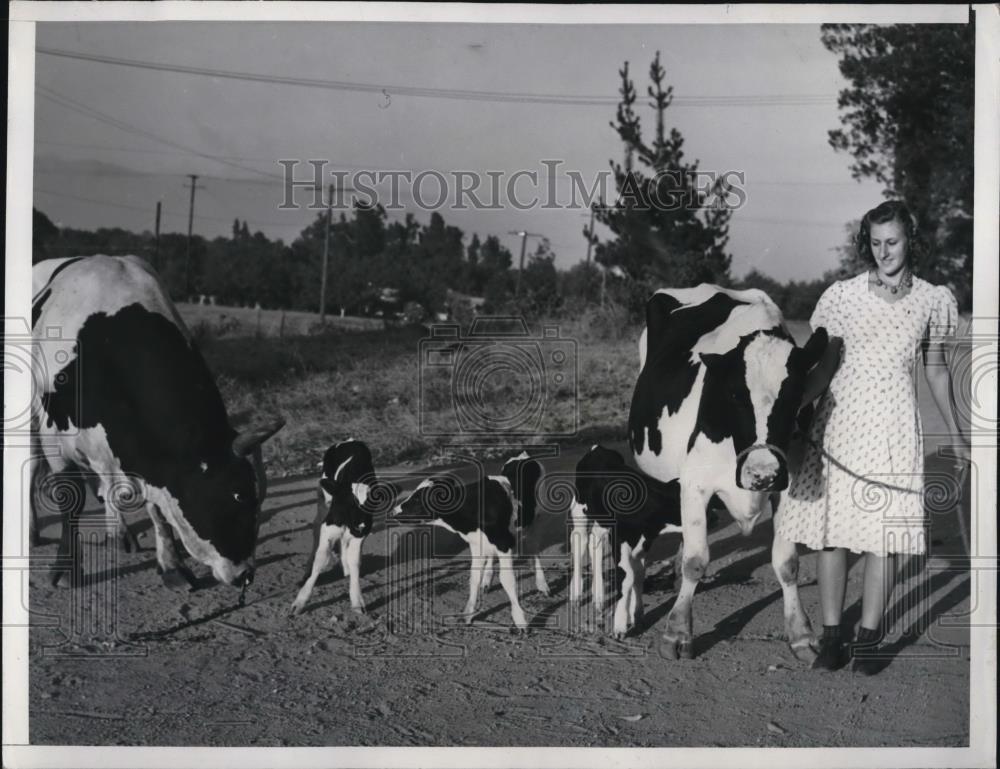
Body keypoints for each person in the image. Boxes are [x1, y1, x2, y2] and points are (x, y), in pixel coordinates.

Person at [776, 200, 970, 674]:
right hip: (839, 426)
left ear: (910, 240)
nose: (884, 252)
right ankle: (831, 638)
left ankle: (866, 639)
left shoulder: (931, 300)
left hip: (895, 429)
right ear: (868, 243)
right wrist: (794, 412)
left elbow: (937, 372)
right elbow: (825, 366)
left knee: (883, 539)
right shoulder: (842, 297)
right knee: (831, 536)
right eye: (876, 243)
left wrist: (957, 434)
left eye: (893, 242)